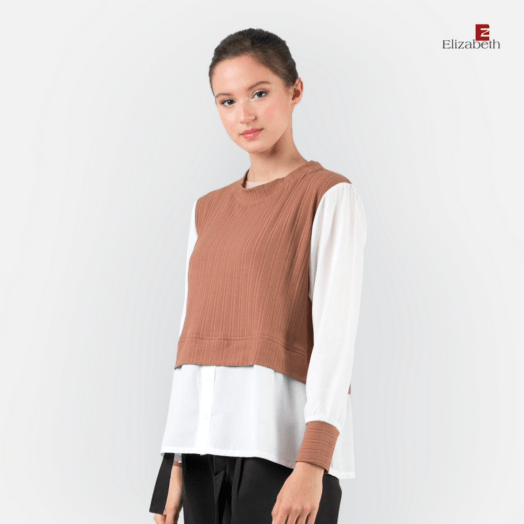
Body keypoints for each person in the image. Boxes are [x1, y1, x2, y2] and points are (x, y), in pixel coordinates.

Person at [149, 28, 367, 524]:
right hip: (201, 452)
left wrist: (313, 464)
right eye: (227, 101)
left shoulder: (328, 195)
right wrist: (175, 460)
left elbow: (335, 343)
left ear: (295, 90)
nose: (243, 114)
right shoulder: (207, 209)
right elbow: (190, 340)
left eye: (259, 93)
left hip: (282, 454)